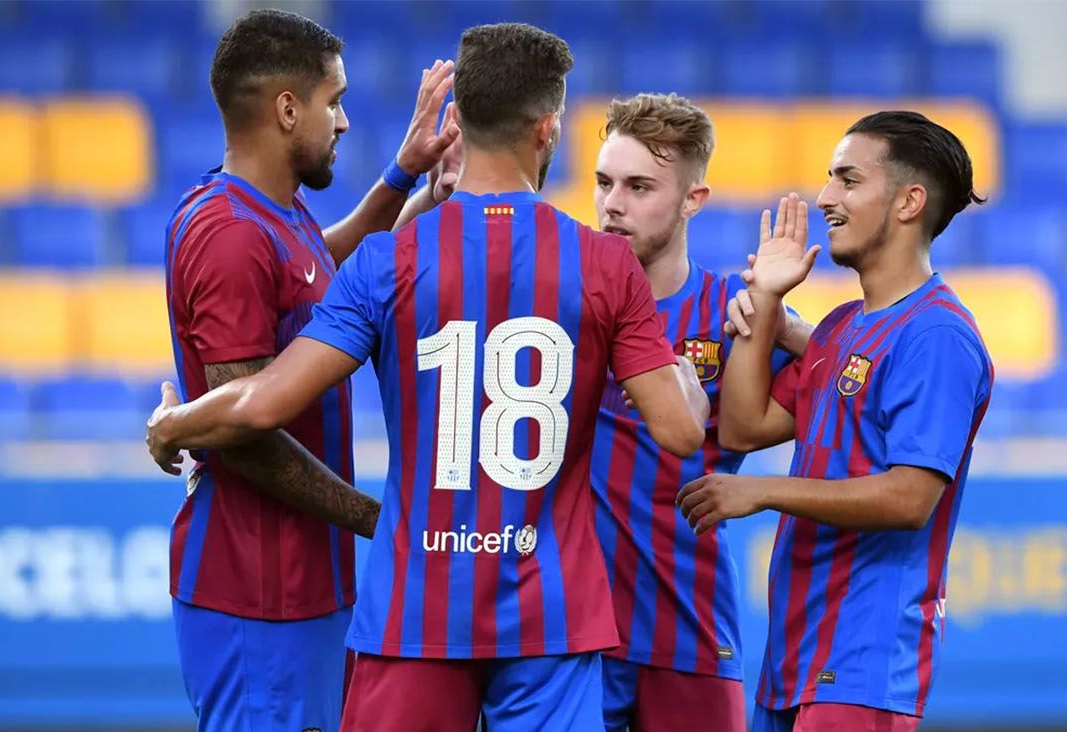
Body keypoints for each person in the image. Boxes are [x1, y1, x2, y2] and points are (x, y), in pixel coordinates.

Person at [146, 22, 711, 732]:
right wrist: (683, 369)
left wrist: (174, 423)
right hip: (551, 609)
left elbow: (262, 402)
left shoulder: (388, 264)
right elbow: (682, 430)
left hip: (419, 605)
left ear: (461, 121)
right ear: (548, 129)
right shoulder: (605, 266)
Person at [158, 8, 458, 731]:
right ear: (288, 110)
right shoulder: (229, 235)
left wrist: (406, 178)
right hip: (256, 588)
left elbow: (321, 268)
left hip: (303, 583)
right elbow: (245, 426)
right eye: (335, 101)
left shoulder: (274, 215)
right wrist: (379, 520)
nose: (345, 122)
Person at [678, 111, 994, 731]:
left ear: (908, 201)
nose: (825, 197)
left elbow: (909, 498)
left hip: (865, 661)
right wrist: (766, 302)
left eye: (848, 179)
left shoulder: (937, 335)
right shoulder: (843, 325)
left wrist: (762, 490)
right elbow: (744, 428)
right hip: (797, 650)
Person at [586, 92, 810, 731]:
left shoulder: (733, 314)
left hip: (692, 622)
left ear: (693, 199)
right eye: (604, 182)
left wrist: (787, 327)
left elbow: (861, 385)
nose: (613, 204)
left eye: (639, 186)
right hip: (575, 631)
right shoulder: (562, 304)